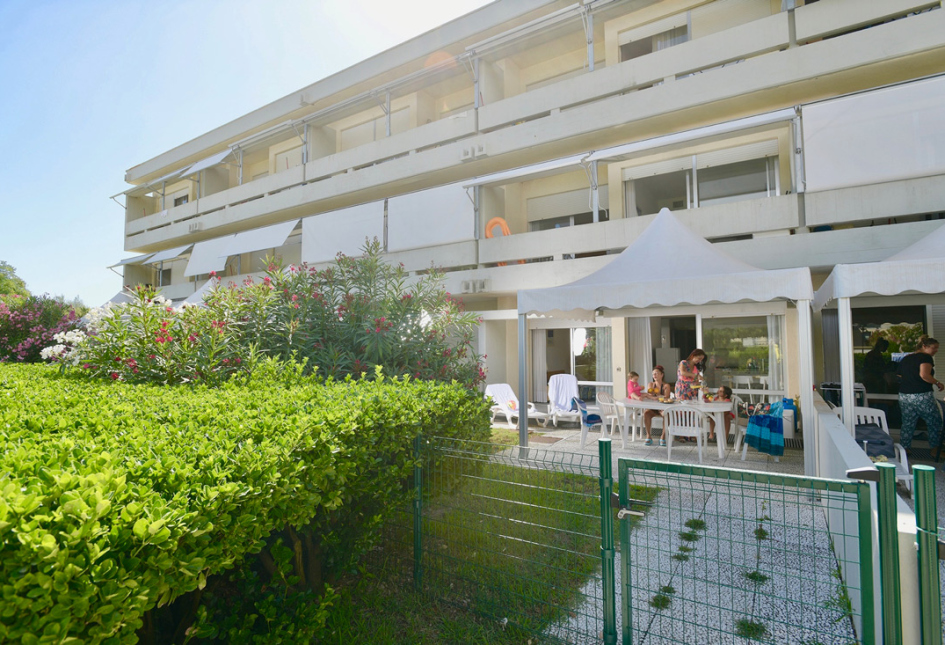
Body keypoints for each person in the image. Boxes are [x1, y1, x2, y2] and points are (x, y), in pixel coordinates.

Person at [897, 336, 943, 450]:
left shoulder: (906, 358)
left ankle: (904, 449)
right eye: (934, 348)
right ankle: (935, 449)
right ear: (924, 346)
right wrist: (938, 383)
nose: (936, 350)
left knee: (908, 423)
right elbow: (924, 375)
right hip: (922, 395)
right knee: (934, 421)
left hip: (904, 395)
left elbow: (899, 375)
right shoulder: (925, 357)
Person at [643, 366, 672, 446]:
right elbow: (649, 395)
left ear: (662, 375)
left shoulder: (666, 386)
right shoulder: (651, 384)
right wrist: (658, 397)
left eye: (656, 373)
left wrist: (656, 396)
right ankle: (648, 436)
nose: (654, 375)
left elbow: (666, 397)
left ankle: (663, 436)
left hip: (662, 408)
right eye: (653, 374)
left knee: (667, 415)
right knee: (646, 413)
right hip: (653, 408)